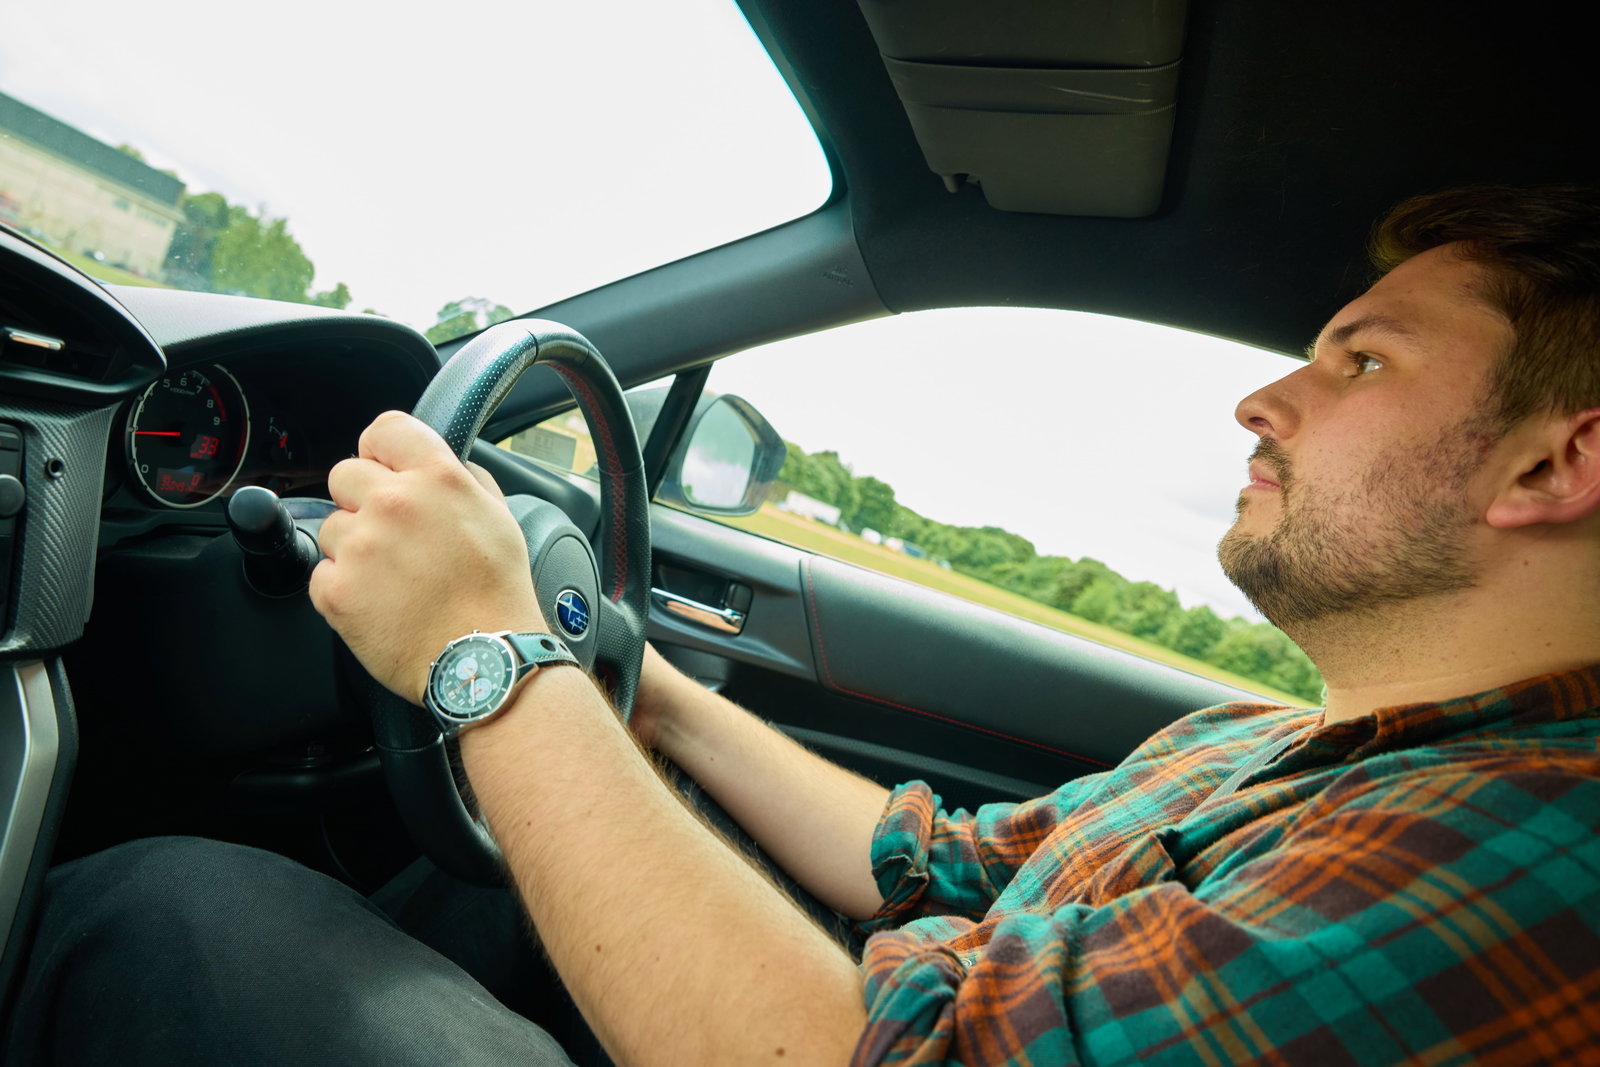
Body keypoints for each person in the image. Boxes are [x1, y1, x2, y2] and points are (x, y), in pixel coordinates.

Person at [10, 184, 1600, 1065]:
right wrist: (640, 697)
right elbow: (936, 863)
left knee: (181, 912)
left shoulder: (1542, 866)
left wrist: (492, 660)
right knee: (460, 883)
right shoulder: (1289, 749)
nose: (1265, 396)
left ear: (1557, 457)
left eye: (1362, 363)